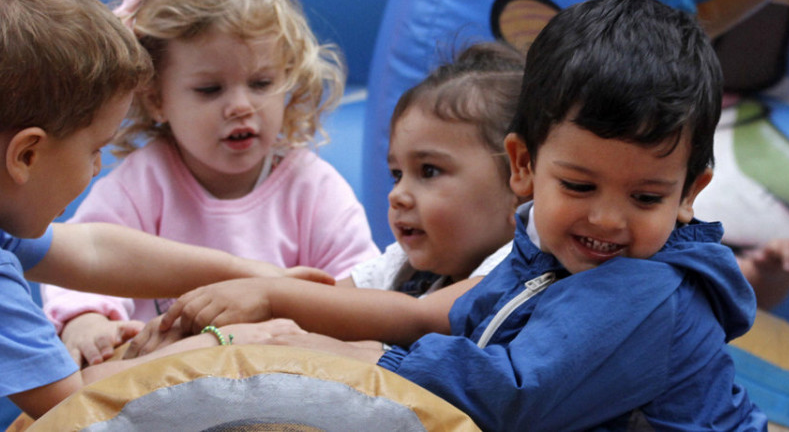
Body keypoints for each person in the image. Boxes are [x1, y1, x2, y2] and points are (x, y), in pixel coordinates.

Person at [258, 0, 769, 430]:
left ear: (688, 195)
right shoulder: (540, 249)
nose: (609, 219)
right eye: (579, 185)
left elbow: (513, 395)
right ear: (523, 166)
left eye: (646, 198)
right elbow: (472, 321)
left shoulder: (649, 291)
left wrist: (366, 356)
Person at [0, 0, 325, 430]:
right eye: (94, 150)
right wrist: (221, 346)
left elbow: (94, 250)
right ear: (27, 156)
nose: (98, 169)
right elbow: (77, 406)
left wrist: (258, 277)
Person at [40, 0, 379, 367]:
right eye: (210, 90)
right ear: (156, 97)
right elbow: (85, 264)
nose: (240, 106)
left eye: (260, 83)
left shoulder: (312, 188)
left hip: (282, 377)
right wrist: (87, 321)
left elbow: (362, 288)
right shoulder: (144, 184)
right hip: (164, 381)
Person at [123, 41, 526, 356]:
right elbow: (331, 302)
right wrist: (207, 325)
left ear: (519, 180)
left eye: (430, 172)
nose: (399, 194)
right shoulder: (404, 268)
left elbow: (424, 318)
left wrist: (267, 295)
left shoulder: (520, 264)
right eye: (396, 173)